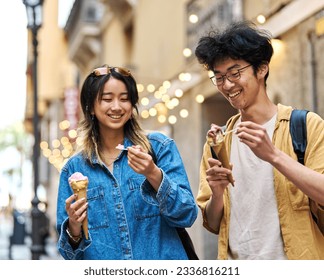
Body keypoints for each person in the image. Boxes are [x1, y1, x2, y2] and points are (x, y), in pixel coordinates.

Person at [195, 21, 324, 260]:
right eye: (219, 77)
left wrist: (273, 155)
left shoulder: (305, 125)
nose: (227, 85)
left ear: (262, 68)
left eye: (235, 73)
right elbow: (213, 223)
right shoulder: (217, 142)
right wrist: (216, 193)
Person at [56, 65, 198, 260]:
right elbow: (68, 253)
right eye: (107, 99)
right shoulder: (74, 169)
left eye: (124, 99)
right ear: (90, 107)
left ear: (132, 106)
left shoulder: (159, 148)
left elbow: (187, 215)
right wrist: (73, 225)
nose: (117, 106)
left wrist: (153, 174)